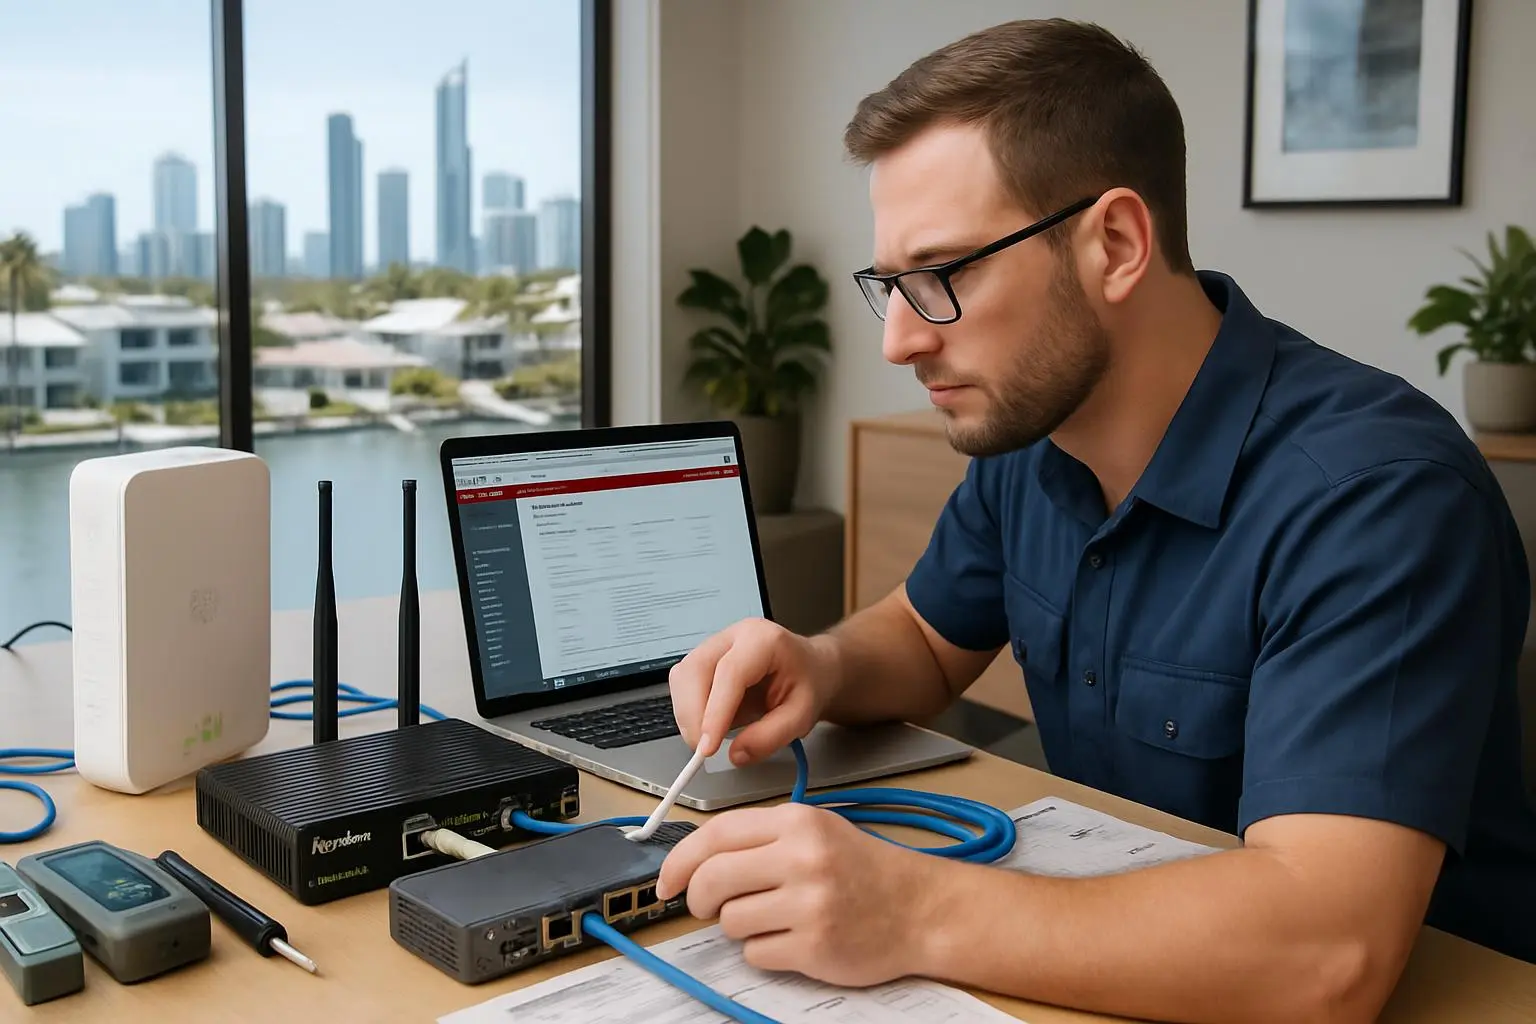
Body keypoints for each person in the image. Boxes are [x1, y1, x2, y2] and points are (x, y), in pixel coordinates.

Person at [651, 16, 1536, 1024]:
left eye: (941, 275)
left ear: (1114, 244)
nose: (898, 340)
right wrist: (820, 664)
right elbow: (923, 637)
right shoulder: (1037, 436)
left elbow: (1326, 953)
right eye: (889, 285)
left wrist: (910, 909)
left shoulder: (1376, 497)